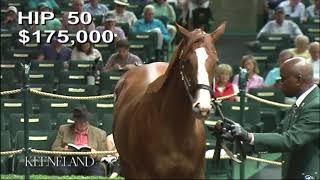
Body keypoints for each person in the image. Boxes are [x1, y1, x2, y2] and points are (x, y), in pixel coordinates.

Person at [223, 57, 320, 179]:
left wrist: (248, 135)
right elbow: (279, 134)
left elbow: (290, 140)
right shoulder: (302, 102)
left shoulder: (316, 105)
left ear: (298, 80)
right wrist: (239, 138)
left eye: (283, 79)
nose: (280, 83)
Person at [51, 106, 109, 176]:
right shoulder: (64, 129)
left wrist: (96, 154)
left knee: (97, 172)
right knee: (60, 169)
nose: (83, 124)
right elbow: (54, 149)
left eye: (85, 121)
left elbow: (104, 154)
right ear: (75, 121)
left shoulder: (100, 133)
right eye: (80, 122)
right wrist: (64, 151)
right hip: (69, 161)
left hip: (91, 162)